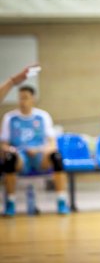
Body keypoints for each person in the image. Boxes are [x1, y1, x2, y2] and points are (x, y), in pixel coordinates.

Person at [1, 86, 69, 216]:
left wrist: (41, 150)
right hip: (20, 156)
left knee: (57, 157)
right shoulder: (10, 118)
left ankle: (61, 201)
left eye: (25, 98)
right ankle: (10, 202)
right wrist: (12, 150)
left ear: (33, 99)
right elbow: (3, 144)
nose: (22, 101)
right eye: (20, 98)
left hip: (39, 155)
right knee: (9, 158)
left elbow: (52, 143)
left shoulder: (42, 116)